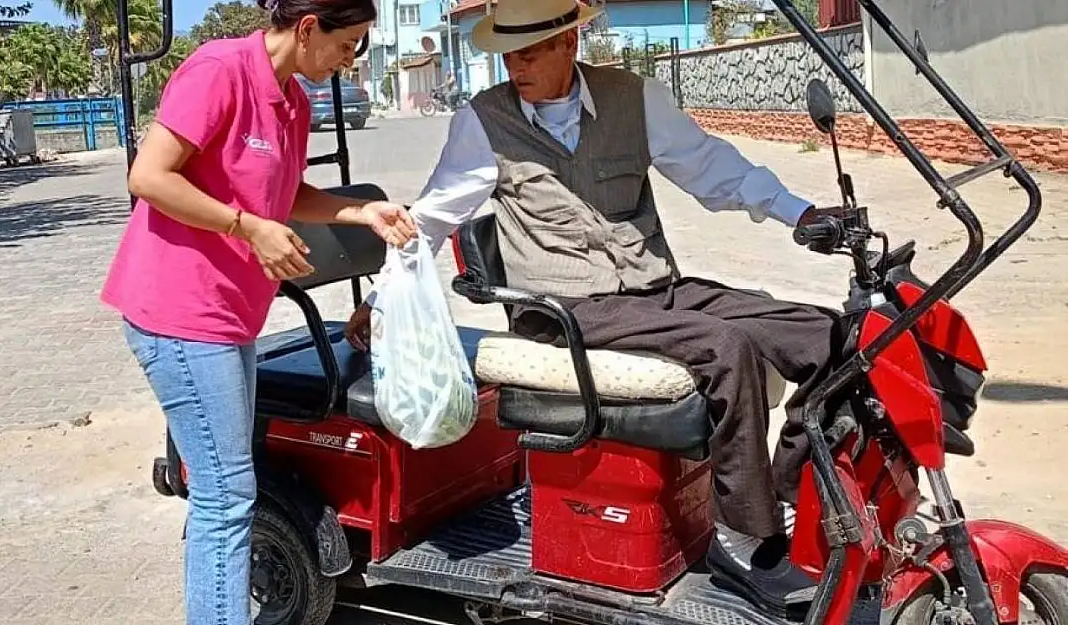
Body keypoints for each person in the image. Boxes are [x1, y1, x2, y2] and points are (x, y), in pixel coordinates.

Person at [345, 0, 841, 616]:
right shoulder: (484, 122)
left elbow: (716, 170)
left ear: (568, 42)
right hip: (562, 308)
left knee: (823, 335)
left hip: (650, 288)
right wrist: (383, 298)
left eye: (529, 52)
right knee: (725, 349)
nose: (515, 66)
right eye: (507, 54)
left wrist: (802, 213)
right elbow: (433, 213)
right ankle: (745, 539)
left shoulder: (634, 98)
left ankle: (798, 497)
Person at [99, 0, 416, 622]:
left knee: (227, 486)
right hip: (178, 311)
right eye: (348, 43)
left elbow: (286, 191)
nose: (352, 60)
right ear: (306, 29)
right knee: (225, 493)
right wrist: (246, 227)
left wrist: (360, 212)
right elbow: (150, 176)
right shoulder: (219, 70)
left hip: (229, 317)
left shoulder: (293, 100)